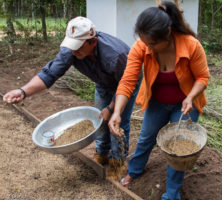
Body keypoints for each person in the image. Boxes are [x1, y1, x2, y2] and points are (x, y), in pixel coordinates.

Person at [2, 16, 141, 174]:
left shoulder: (115, 55)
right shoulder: (71, 51)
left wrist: (111, 108)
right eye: (72, 46)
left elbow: (128, 83)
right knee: (100, 119)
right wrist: (22, 92)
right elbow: (49, 74)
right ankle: (102, 153)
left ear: (92, 41)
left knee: (118, 123)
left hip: (127, 82)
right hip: (103, 83)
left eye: (78, 47)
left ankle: (118, 163)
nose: (74, 51)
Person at [108, 1, 210, 199]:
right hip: (157, 102)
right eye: (145, 43)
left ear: (168, 33)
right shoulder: (141, 46)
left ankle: (172, 193)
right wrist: (117, 112)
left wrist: (190, 97)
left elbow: (203, 78)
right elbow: (128, 81)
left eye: (153, 44)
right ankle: (134, 171)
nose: (148, 48)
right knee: (146, 137)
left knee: (177, 148)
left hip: (185, 105)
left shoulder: (190, 45)